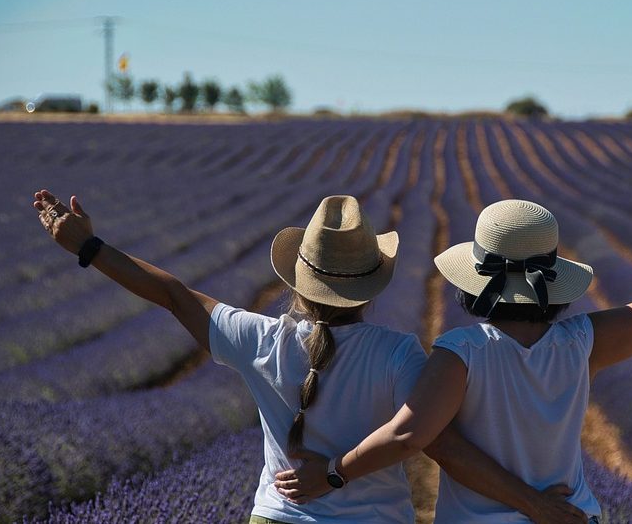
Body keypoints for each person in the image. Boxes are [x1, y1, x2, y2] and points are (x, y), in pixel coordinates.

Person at [31, 191, 586, 524]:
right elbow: (431, 437)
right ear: (371, 287)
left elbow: (174, 293)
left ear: (297, 279)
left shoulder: (259, 339)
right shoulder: (399, 354)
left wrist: (89, 248)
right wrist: (532, 499)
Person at [274, 198, 632, 523]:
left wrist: (333, 474)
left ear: (474, 278)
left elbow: (411, 438)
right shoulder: (583, 340)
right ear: (553, 280)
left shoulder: (461, 353)